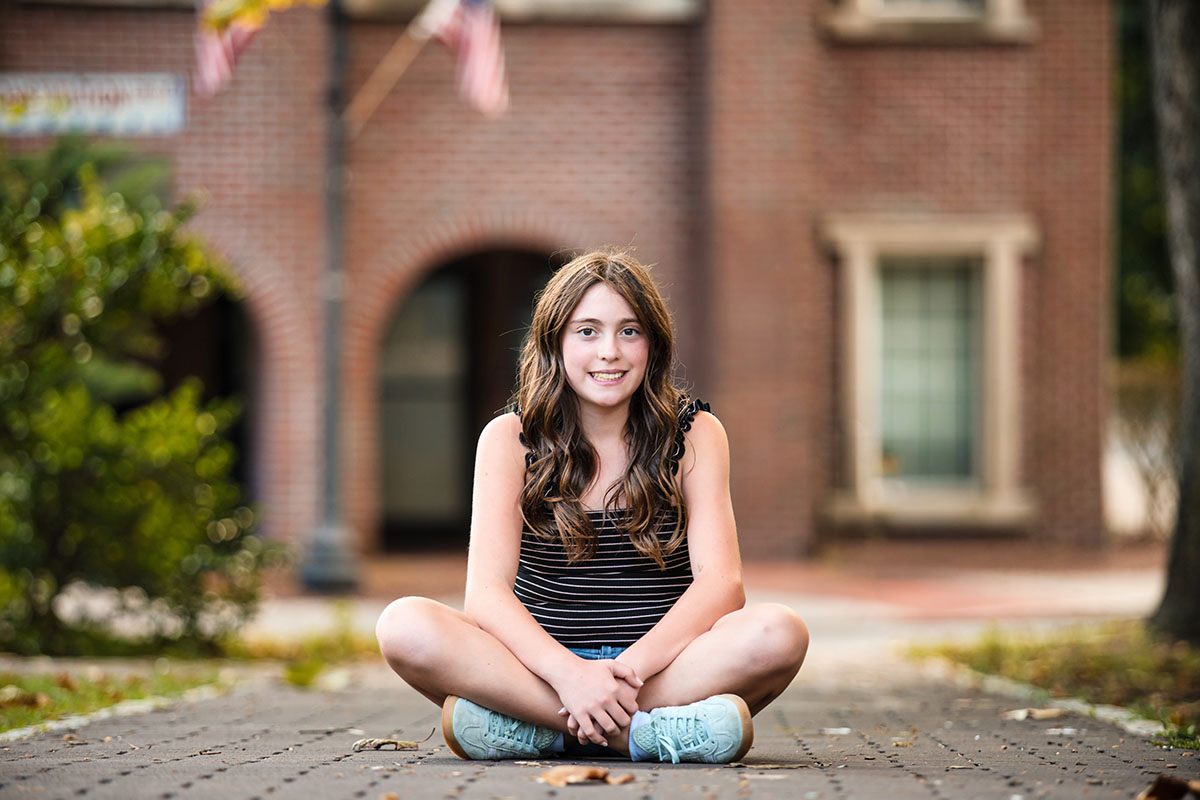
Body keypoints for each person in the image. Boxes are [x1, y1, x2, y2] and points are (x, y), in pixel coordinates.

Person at [375, 248, 809, 764]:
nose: (610, 351)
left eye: (629, 331)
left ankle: (545, 731)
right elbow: (487, 596)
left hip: (661, 668)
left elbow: (721, 585)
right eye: (587, 331)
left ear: (653, 344)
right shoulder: (509, 439)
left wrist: (624, 673)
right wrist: (570, 676)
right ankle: (644, 735)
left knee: (778, 633)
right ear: (554, 342)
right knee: (404, 625)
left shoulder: (695, 434)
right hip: (539, 668)